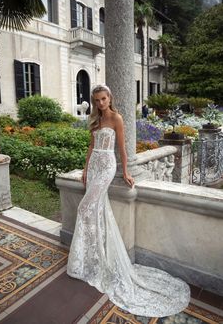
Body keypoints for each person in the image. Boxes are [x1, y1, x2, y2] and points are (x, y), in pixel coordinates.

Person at [67, 84, 190, 317]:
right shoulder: (95, 120)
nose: (101, 103)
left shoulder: (116, 118)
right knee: (95, 211)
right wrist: (85, 170)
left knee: (86, 209)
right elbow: (91, 147)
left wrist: (125, 172)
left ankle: (95, 258)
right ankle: (92, 259)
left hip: (106, 168)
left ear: (109, 98)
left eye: (103, 99)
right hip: (94, 166)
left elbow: (121, 148)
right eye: (97, 100)